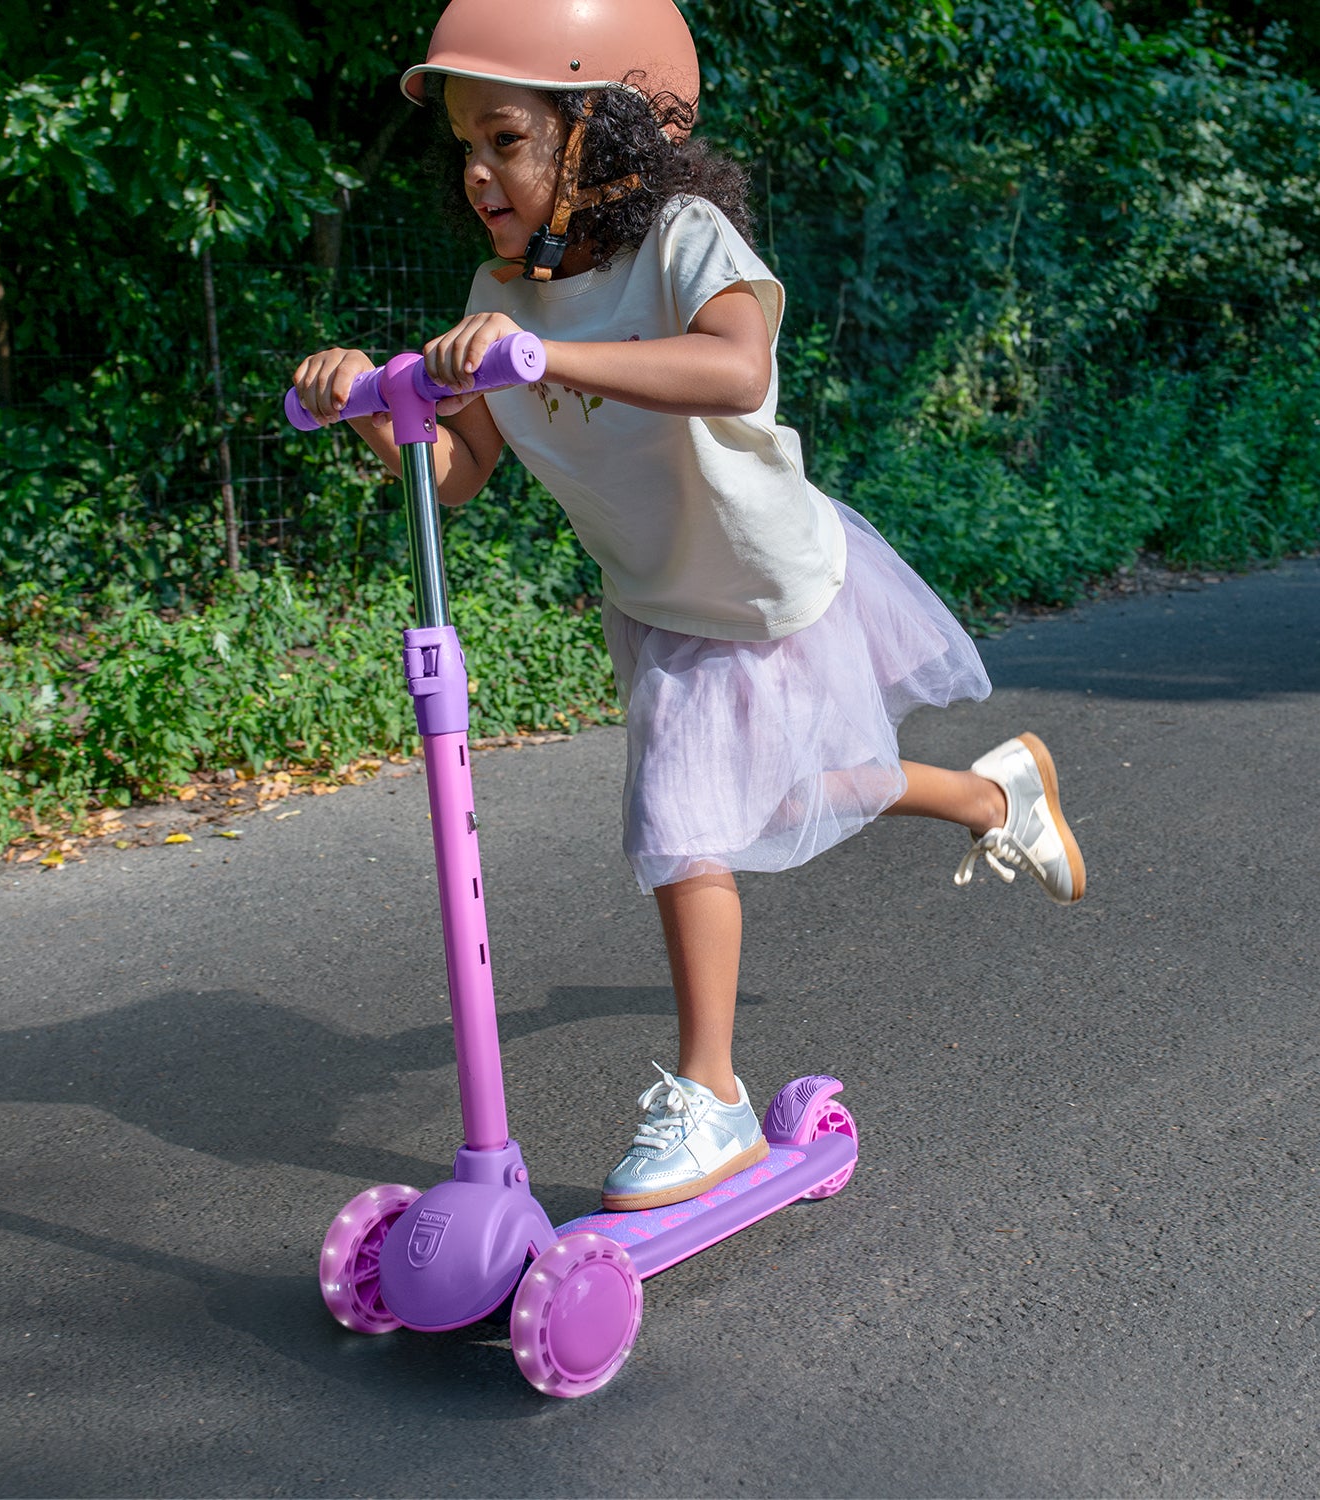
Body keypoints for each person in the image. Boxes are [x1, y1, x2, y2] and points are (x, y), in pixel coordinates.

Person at [292, 0, 1086, 1214]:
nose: (475, 172)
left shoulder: (682, 237)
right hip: (657, 592)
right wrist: (367, 407)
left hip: (761, 579)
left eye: (504, 137)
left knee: (686, 818)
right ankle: (990, 793)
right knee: (766, 800)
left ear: (600, 125)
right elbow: (452, 474)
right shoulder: (501, 289)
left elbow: (735, 366)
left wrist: (544, 357)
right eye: (463, 144)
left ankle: (711, 1098)